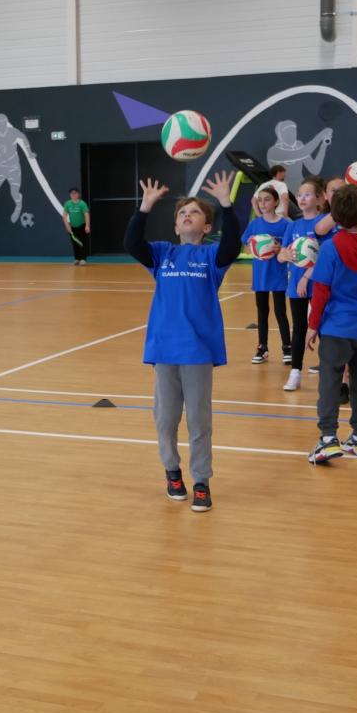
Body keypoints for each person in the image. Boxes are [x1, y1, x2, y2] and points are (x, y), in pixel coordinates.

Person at [125, 171, 240, 513]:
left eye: (195, 212)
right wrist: (145, 208)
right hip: (164, 350)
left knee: (199, 422)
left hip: (198, 352)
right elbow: (132, 244)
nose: (188, 215)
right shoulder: (163, 254)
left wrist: (226, 204)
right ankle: (172, 472)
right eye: (182, 213)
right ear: (176, 227)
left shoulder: (213, 257)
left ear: (206, 227)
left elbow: (233, 244)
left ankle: (201, 481)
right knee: (165, 418)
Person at [305, 184, 357, 463]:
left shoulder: (330, 247)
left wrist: (312, 325)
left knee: (330, 381)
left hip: (336, 327)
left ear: (335, 216)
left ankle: (328, 438)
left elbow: (321, 290)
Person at [277, 177, 332, 391]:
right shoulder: (294, 225)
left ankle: (329, 370)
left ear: (319, 199)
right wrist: (283, 255)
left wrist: (307, 276)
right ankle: (295, 372)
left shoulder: (325, 222)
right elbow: (282, 254)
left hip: (318, 284)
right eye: (299, 195)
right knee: (299, 328)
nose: (301, 198)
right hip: (296, 286)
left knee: (324, 327)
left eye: (307, 194)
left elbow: (326, 256)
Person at [241, 187, 290, 363]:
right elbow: (247, 245)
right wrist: (253, 245)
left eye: (267, 199)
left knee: (280, 312)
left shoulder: (285, 224)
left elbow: (290, 247)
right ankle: (262, 348)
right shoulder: (255, 224)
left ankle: (287, 347)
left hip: (278, 275)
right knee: (262, 312)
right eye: (260, 200)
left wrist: (280, 248)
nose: (262, 203)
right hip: (260, 275)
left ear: (276, 202)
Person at [0, 113, 31, 228]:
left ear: (7, 123)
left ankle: (18, 205)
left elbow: (24, 138)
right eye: (0, 123)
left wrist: (29, 153)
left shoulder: (13, 132)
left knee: (14, 192)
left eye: (4, 123)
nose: (2, 125)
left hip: (13, 166)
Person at [62, 187, 90, 265]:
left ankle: (83, 259)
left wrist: (87, 226)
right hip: (72, 227)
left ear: (78, 194)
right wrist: (67, 226)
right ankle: (77, 258)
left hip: (82, 226)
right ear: (70, 195)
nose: (73, 195)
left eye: (75, 193)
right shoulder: (67, 204)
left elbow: (86, 215)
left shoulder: (82, 203)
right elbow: (64, 215)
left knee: (82, 243)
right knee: (74, 243)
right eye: (71, 193)